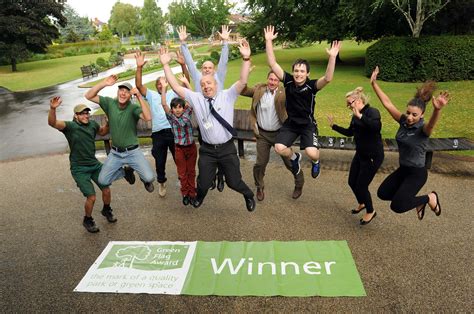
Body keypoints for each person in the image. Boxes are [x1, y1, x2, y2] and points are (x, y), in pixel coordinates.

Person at [159, 40, 256, 211]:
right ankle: (200, 196)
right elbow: (175, 86)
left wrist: (246, 59)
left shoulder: (228, 95)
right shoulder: (196, 99)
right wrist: (166, 65)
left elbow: (242, 81)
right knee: (203, 182)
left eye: (209, 83)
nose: (205, 86)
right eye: (203, 85)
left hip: (226, 148)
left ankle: (248, 195)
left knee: (234, 182)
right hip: (208, 150)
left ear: (216, 84)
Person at [264, 25, 341, 179]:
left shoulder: (312, 86)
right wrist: (268, 41)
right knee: (279, 148)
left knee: (312, 153)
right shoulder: (287, 82)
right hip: (291, 124)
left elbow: (328, 78)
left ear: (307, 74)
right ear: (293, 72)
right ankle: (295, 158)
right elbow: (273, 64)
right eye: (296, 71)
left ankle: (316, 161)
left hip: (307, 125)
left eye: (302, 71)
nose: (298, 74)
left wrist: (332, 57)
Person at [371, 66, 447, 220]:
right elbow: (388, 104)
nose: (410, 117)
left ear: (422, 115)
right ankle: (413, 201)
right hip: (403, 170)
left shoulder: (423, 130)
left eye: (414, 115)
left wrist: (437, 110)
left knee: (397, 206)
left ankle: (430, 198)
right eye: (408, 113)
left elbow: (431, 125)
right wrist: (374, 84)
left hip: (417, 173)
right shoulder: (404, 121)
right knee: (383, 193)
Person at [48, 97, 115, 233]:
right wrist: (53, 108)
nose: (85, 115)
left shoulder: (92, 124)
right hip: (79, 169)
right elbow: (53, 123)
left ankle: (106, 210)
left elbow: (102, 132)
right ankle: (87, 219)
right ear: (76, 116)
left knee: (106, 189)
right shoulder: (70, 127)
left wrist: (107, 124)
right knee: (91, 196)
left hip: (94, 164)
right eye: (82, 113)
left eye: (87, 113)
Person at [178, 25, 230, 191]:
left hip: (220, 119)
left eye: (210, 67)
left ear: (214, 70)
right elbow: (190, 64)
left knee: (222, 150)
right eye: (205, 67)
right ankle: (211, 176)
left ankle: (221, 176)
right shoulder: (198, 78)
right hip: (204, 122)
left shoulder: (219, 78)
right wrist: (183, 44)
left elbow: (224, 61)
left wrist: (225, 42)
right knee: (207, 151)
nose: (207, 69)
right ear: (202, 70)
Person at [84, 75, 156, 192]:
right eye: (121, 90)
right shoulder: (109, 103)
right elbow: (88, 96)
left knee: (149, 177)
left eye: (127, 92)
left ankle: (144, 179)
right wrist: (104, 83)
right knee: (103, 181)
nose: (123, 93)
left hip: (133, 152)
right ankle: (126, 172)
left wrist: (138, 96)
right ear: (118, 92)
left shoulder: (133, 108)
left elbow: (148, 117)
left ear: (130, 96)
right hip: (115, 153)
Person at [241, 71, 305, 201]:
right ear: (267, 79)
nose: (272, 82)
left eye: (276, 80)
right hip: (263, 135)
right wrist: (245, 74)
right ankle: (259, 186)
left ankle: (299, 183)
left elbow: (299, 95)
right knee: (260, 163)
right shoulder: (259, 90)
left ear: (279, 82)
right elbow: (242, 90)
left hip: (280, 134)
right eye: (271, 79)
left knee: (289, 162)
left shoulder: (284, 93)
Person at [135, 50, 189, 197]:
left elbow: (185, 81)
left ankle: (183, 180)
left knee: (179, 159)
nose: (161, 85)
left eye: (163, 82)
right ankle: (161, 181)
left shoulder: (172, 93)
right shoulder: (151, 95)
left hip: (173, 131)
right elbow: (139, 85)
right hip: (158, 133)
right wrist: (139, 67)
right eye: (158, 83)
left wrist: (183, 65)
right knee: (160, 161)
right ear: (156, 85)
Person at [327, 87, 384, 225]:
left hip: (373, 156)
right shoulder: (355, 115)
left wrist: (361, 116)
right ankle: (362, 203)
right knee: (352, 181)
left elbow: (376, 127)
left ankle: (370, 211)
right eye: (347, 104)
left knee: (361, 186)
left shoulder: (372, 112)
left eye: (350, 103)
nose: (348, 106)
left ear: (358, 101)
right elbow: (349, 132)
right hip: (360, 154)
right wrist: (333, 126)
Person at [158, 78, 197, 206]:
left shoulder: (187, 112)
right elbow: (164, 104)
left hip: (191, 148)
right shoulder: (171, 117)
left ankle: (192, 193)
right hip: (179, 148)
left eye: (180, 107)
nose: (178, 109)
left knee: (191, 171)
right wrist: (164, 87)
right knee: (182, 173)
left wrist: (186, 83)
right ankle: (185, 193)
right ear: (172, 109)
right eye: (175, 108)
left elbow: (193, 99)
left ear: (183, 107)